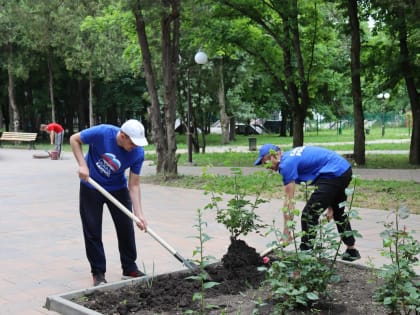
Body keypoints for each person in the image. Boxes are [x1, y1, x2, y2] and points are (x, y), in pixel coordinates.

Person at [69, 119, 149, 286]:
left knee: (126, 227)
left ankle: (129, 267)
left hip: (118, 189)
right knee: (92, 229)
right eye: (132, 142)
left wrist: (139, 214)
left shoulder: (138, 153)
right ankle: (98, 272)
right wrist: (82, 165)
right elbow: (74, 139)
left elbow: (133, 185)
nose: (135, 147)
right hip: (91, 186)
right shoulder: (103, 132)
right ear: (122, 135)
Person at [254, 144, 361, 261]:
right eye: (264, 164)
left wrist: (286, 234)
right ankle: (351, 250)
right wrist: (331, 205)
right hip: (342, 169)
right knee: (338, 212)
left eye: (266, 162)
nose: (266, 167)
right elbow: (322, 169)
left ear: (277, 155)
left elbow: (289, 202)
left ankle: (306, 256)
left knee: (309, 215)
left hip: (333, 172)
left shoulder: (286, 165)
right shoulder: (290, 157)